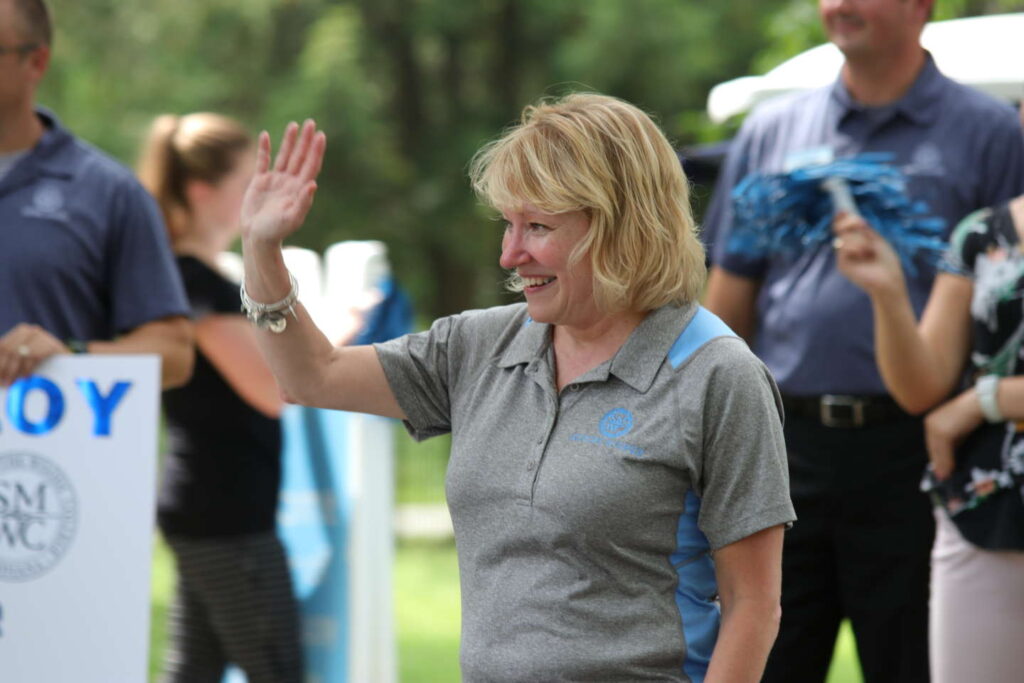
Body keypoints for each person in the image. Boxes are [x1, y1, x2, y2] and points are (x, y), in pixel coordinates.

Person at [237, 94, 795, 682]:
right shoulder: (480, 346)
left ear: (620, 227)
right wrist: (260, 249)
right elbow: (310, 375)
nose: (510, 253)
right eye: (508, 223)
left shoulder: (717, 374)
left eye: (538, 227)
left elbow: (753, 606)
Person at [701, 0, 1024, 681]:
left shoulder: (992, 133)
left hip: (919, 448)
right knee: (767, 659)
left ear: (919, 7)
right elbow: (728, 300)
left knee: (912, 662)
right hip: (784, 446)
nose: (839, 5)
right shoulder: (772, 131)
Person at [136, 112, 304, 683]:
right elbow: (275, 386)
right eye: (246, 185)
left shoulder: (196, 275)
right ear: (202, 190)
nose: (258, 197)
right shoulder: (190, 280)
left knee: (193, 672)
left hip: (213, 506)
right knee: (277, 668)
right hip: (223, 511)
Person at [832, 195, 1024, 683]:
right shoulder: (981, 234)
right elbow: (922, 390)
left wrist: (989, 399)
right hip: (987, 513)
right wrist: (888, 294)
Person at [0, 0, 192, 388]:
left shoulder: (108, 191)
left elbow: (174, 355)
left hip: (44, 445)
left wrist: (72, 356)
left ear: (35, 62)